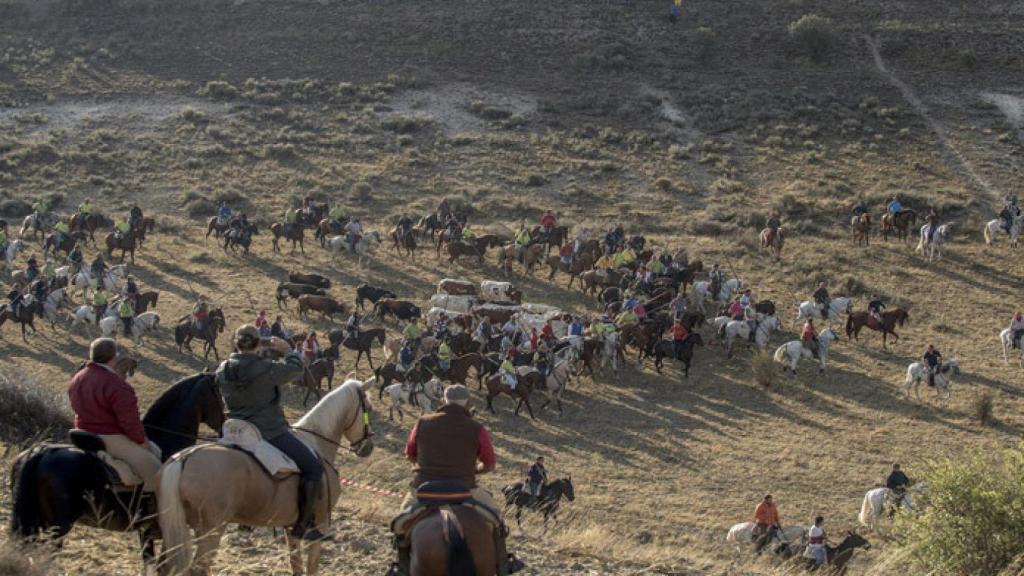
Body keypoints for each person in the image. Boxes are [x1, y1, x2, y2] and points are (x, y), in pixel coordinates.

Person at [392, 384, 518, 576]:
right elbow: (490, 464)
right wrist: (474, 470)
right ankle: (502, 564)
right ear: (468, 403)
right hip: (465, 488)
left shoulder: (422, 422)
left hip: (424, 489)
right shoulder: (476, 428)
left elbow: (410, 454)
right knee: (497, 520)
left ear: (443, 401)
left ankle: (400, 567)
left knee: (399, 525)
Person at [216, 324, 324, 540]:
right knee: (313, 468)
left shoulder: (222, 370)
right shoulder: (265, 368)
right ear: (258, 345)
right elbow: (296, 369)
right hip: (268, 430)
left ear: (236, 344)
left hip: (235, 430)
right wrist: (288, 350)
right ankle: (303, 525)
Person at [69, 338, 162, 491]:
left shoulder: (77, 377)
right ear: (114, 358)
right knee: (157, 473)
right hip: (109, 437)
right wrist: (141, 442)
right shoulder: (116, 384)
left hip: (82, 433)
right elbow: (129, 422)